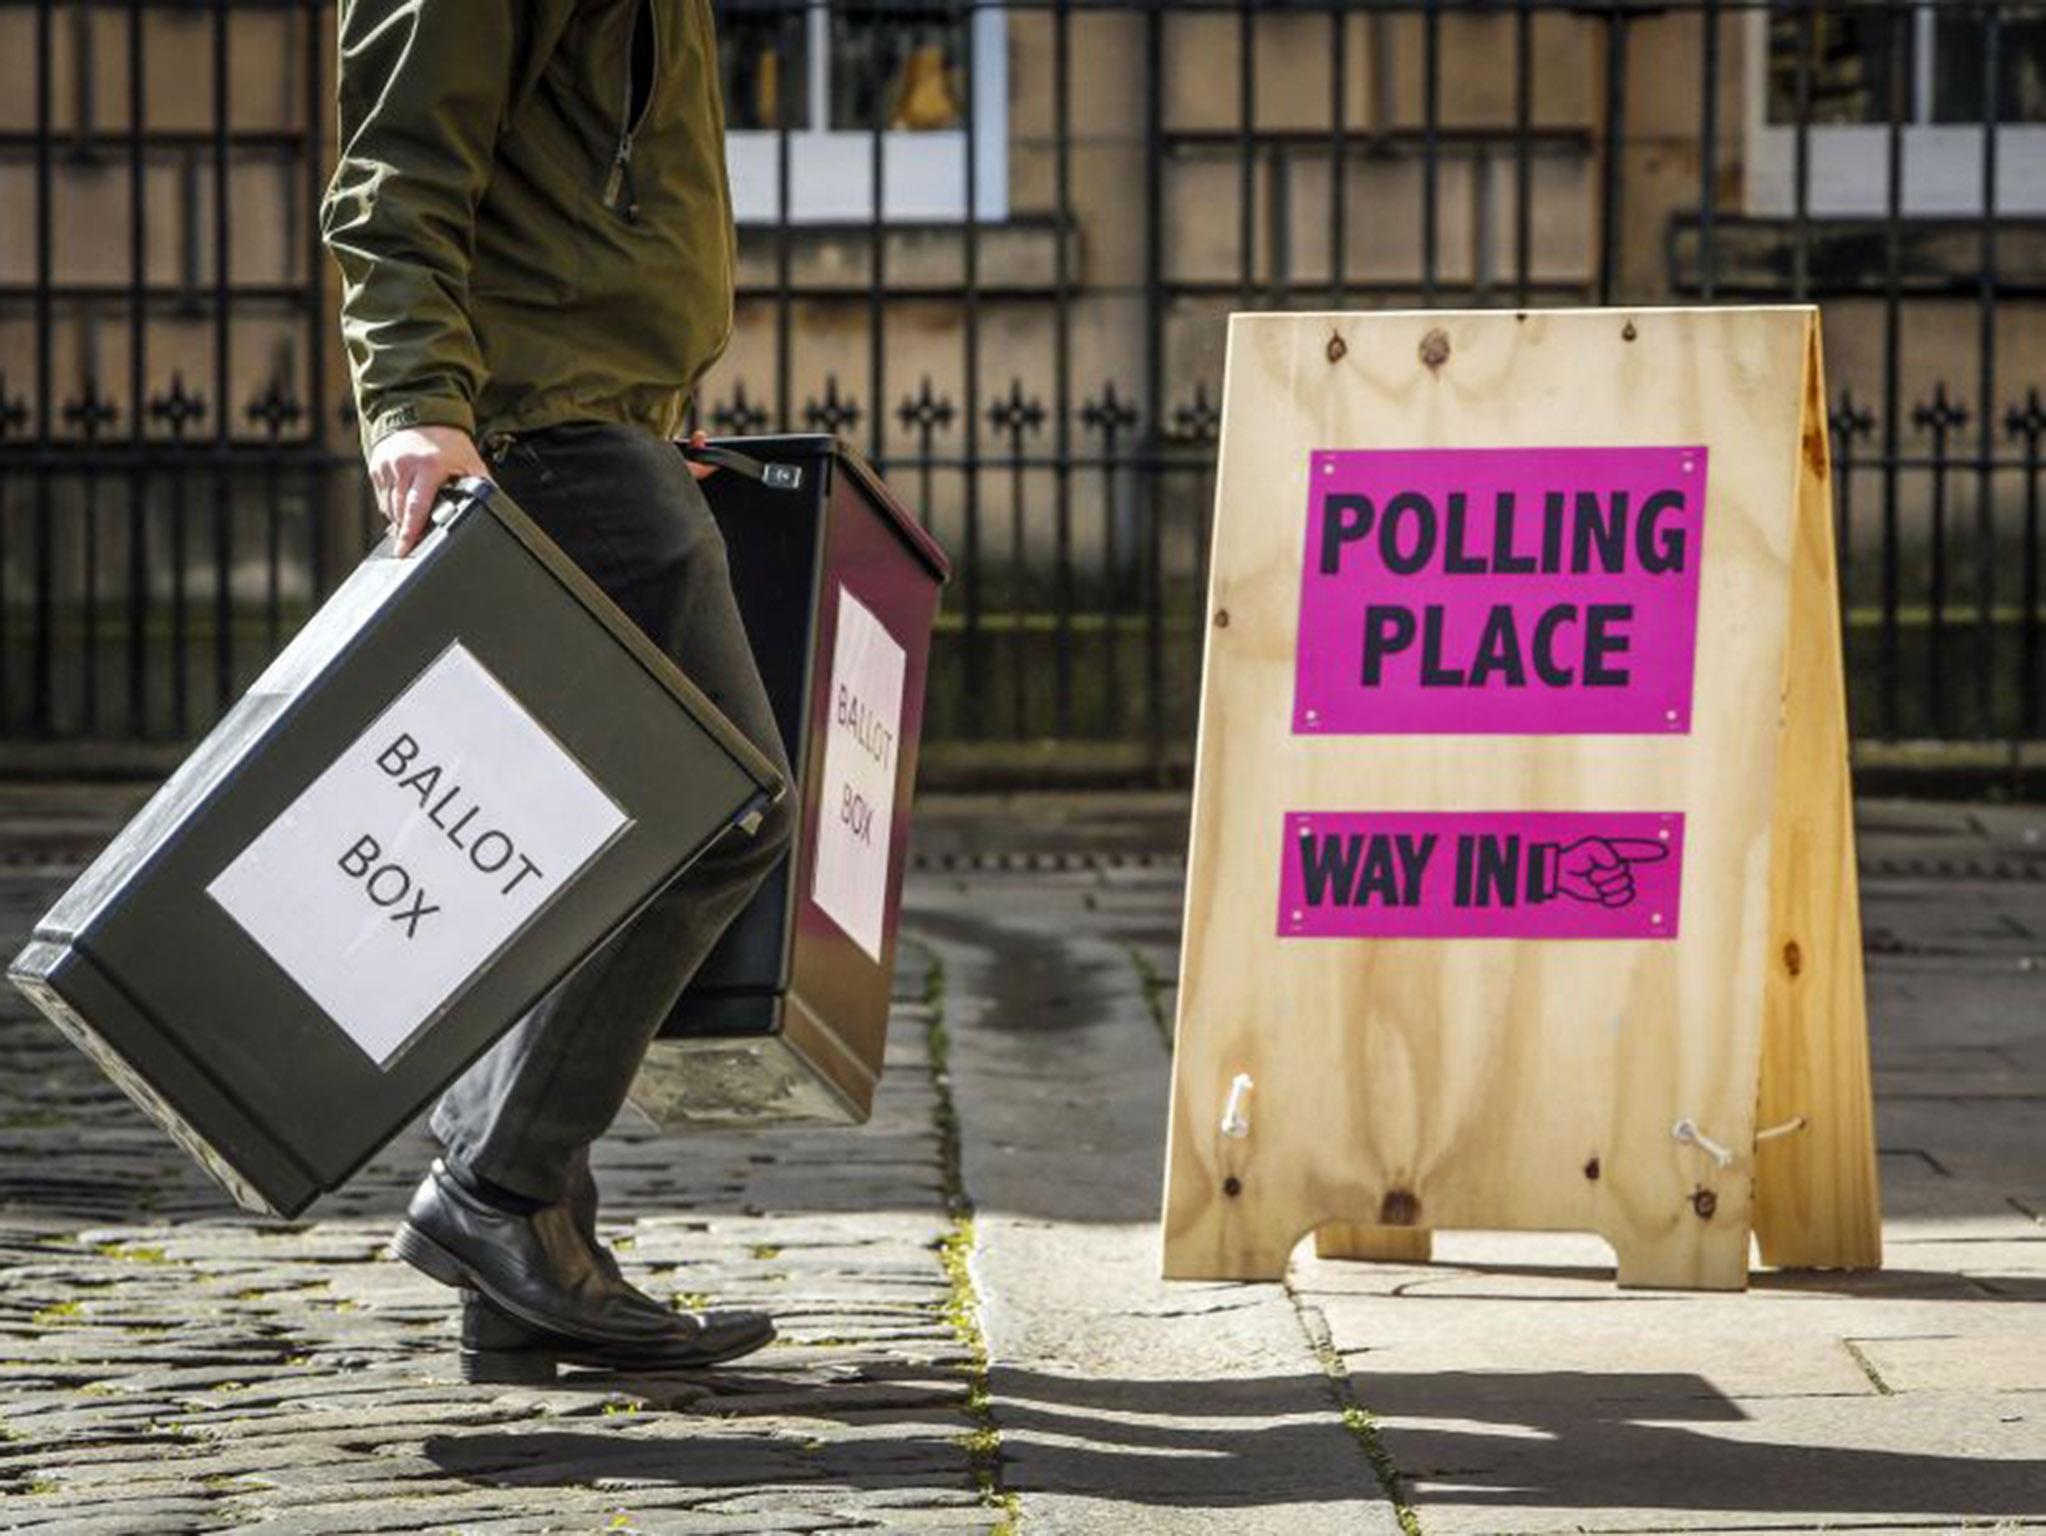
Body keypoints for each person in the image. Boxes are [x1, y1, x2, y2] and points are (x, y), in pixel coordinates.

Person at [320, 0, 792, 1380]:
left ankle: (528, 1266)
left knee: (573, 850)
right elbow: (395, 166)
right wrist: (413, 399)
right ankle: (497, 1199)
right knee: (722, 809)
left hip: (598, 415)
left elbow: (597, 177)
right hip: (539, 426)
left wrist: (647, 401)